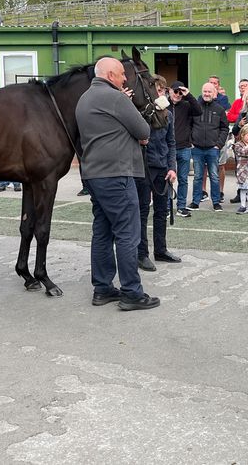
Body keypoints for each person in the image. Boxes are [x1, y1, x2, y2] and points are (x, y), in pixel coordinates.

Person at [77, 57, 159, 311]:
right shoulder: (116, 98)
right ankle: (131, 293)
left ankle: (102, 289)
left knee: (102, 232)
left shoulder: (85, 98)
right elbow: (143, 130)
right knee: (127, 233)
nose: (125, 79)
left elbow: (108, 130)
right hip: (117, 175)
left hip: (94, 174)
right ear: (111, 75)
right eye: (122, 74)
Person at [136, 77, 180, 272]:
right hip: (145, 169)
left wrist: (172, 167)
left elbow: (171, 143)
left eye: (163, 90)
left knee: (162, 211)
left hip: (163, 168)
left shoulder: (168, 115)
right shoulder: (141, 114)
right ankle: (141, 254)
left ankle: (161, 250)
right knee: (142, 211)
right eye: (158, 90)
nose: (160, 94)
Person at [188, 82, 229, 212]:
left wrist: (219, 144)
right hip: (197, 148)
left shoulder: (219, 109)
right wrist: (191, 142)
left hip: (213, 149)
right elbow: (188, 126)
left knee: (214, 176)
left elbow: (224, 128)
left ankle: (216, 202)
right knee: (198, 177)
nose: (206, 94)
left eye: (209, 92)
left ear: (214, 93)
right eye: (204, 91)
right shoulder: (194, 108)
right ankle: (195, 201)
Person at [170, 80, 200, 218]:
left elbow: (198, 110)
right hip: (168, 149)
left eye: (180, 92)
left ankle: (181, 207)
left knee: (183, 179)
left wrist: (188, 95)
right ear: (170, 91)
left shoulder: (187, 105)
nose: (177, 94)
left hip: (184, 148)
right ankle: (166, 208)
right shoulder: (163, 105)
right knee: (166, 179)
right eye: (175, 91)